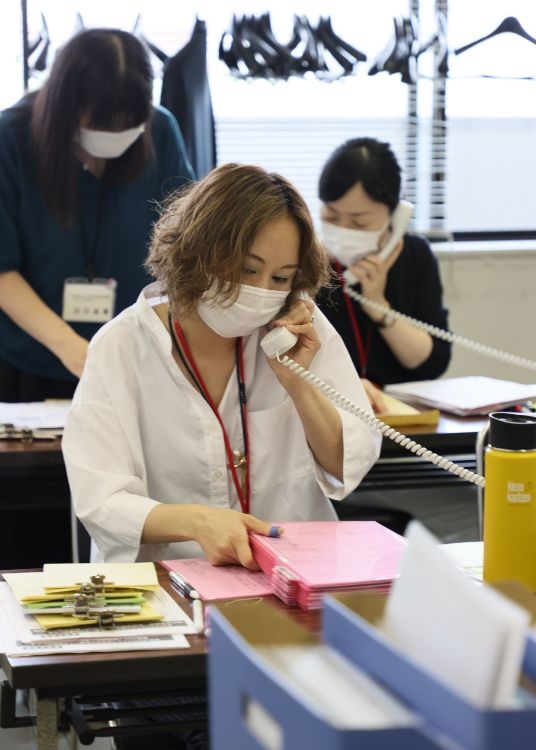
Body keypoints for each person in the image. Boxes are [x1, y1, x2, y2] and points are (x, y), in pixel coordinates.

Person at [62, 163, 381, 566]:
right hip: (169, 582)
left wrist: (296, 380)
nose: (261, 292)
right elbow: (99, 499)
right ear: (199, 252)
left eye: (281, 278)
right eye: (248, 270)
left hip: (292, 571)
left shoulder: (299, 329)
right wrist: (199, 522)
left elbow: (344, 465)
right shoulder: (123, 345)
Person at [0, 27, 195, 402]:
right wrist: (73, 348)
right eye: (102, 123)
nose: (117, 134)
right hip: (30, 364)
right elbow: (3, 271)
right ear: (66, 106)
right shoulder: (12, 139)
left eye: (129, 124)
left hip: (138, 359)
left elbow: (186, 248)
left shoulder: (160, 130)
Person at [315, 137, 451, 412]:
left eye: (359, 221)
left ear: (394, 214)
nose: (343, 229)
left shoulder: (415, 255)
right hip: (331, 412)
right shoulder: (305, 259)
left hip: (401, 418)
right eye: (331, 216)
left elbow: (433, 363)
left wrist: (377, 305)